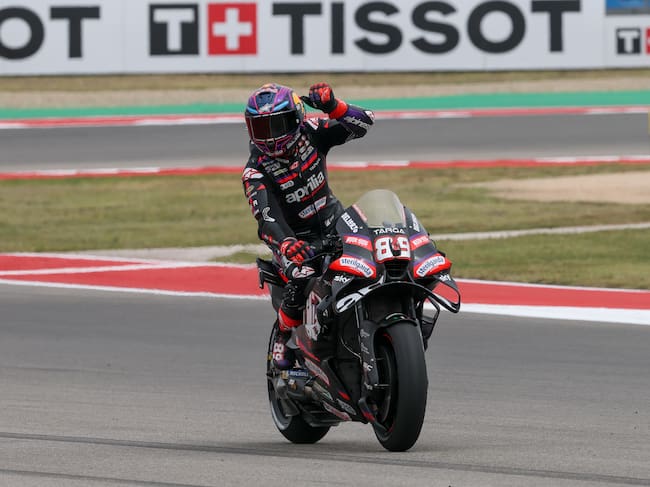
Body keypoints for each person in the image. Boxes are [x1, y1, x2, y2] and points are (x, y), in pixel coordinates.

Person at [242, 82, 375, 369]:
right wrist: (287, 243)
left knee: (378, 252)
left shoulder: (312, 132)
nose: (273, 137)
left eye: (279, 124)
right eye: (263, 129)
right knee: (302, 275)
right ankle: (283, 334)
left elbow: (365, 122)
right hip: (296, 241)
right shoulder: (255, 171)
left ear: (297, 117)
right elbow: (266, 219)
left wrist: (333, 107)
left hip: (336, 222)